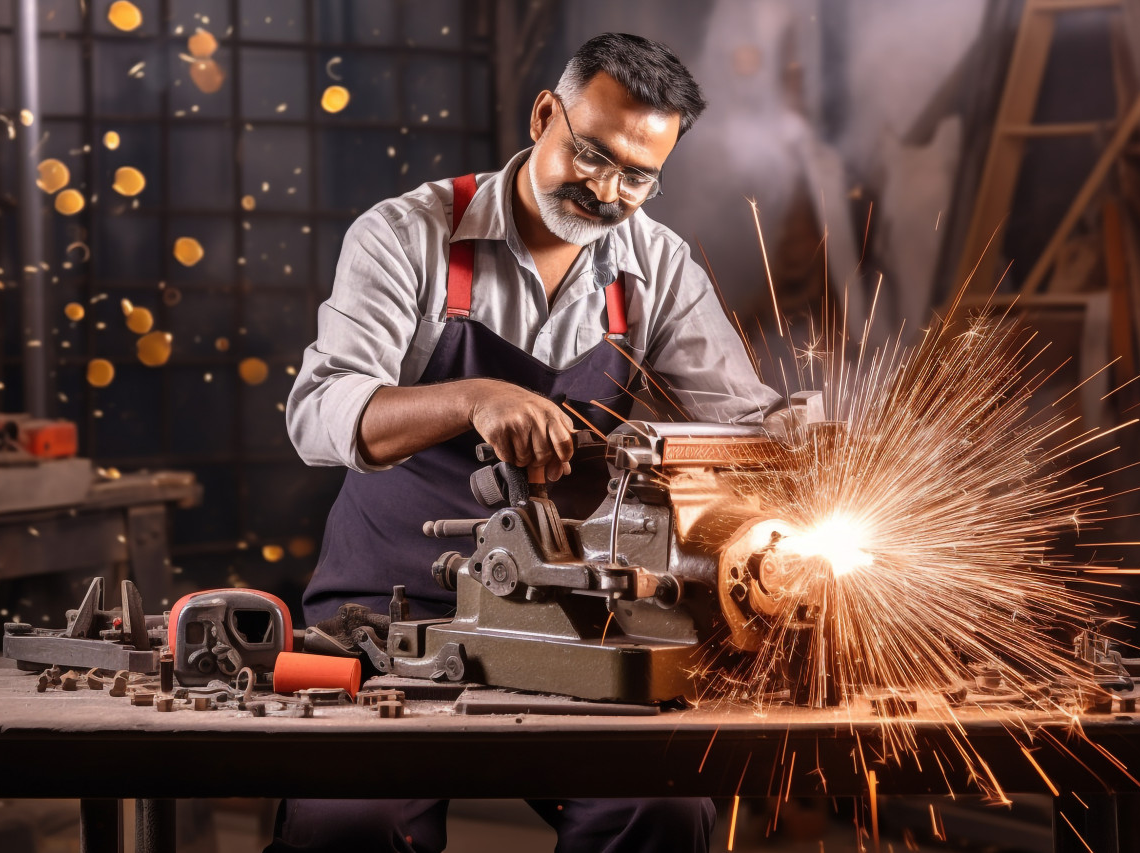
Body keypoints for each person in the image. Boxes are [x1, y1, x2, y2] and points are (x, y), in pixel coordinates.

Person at [276, 32, 782, 853]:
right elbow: (319, 412)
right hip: (393, 607)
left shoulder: (657, 266)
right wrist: (472, 396)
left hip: (578, 617)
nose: (607, 190)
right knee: (354, 824)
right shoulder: (406, 235)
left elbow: (742, 427)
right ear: (546, 113)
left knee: (656, 812)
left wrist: (809, 448)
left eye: (638, 177)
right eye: (592, 155)